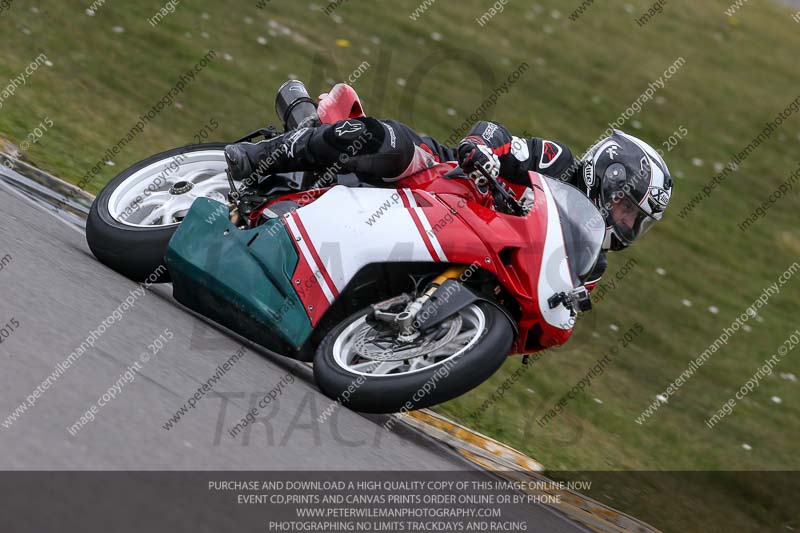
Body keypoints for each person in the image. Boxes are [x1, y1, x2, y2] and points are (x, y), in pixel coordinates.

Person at [224, 83, 673, 284]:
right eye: (628, 209)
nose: (627, 224)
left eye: (636, 220)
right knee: (388, 141)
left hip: (463, 252)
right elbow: (499, 136)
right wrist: (482, 150)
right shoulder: (560, 164)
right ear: (610, 178)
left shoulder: (586, 265)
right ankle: (260, 157)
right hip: (435, 181)